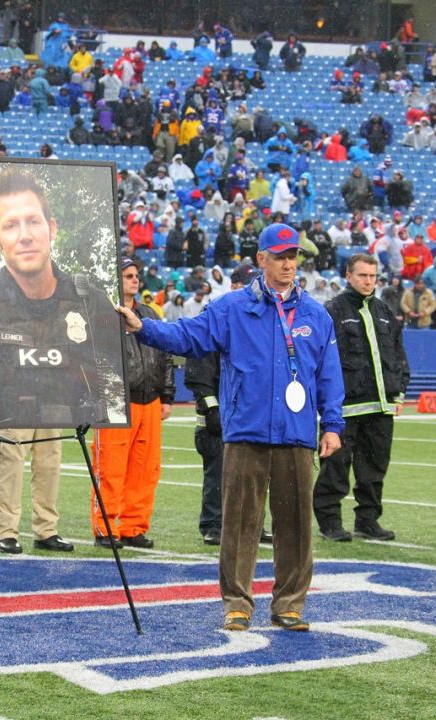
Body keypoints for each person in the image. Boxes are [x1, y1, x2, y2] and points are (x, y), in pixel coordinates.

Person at [116, 223, 344, 633]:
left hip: (295, 433)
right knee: (239, 523)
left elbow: (328, 375)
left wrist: (332, 424)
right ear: (261, 260)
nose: (288, 263)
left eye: (293, 256)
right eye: (280, 256)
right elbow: (188, 336)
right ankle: (237, 604)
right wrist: (144, 327)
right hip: (246, 433)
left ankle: (289, 604)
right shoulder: (232, 308)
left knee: (296, 525)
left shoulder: (315, 314)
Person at [0, 168, 125, 427]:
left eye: (33, 221)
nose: (25, 236)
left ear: (52, 228)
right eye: (11, 225)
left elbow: (133, 370)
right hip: (2, 439)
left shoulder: (88, 301)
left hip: (71, 439)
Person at [313, 254, 410, 543]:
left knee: (374, 467)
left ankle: (368, 520)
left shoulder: (384, 311)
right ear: (348, 276)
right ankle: (330, 521)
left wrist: (399, 390)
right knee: (336, 467)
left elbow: (398, 355)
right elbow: (321, 360)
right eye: (362, 276)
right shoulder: (332, 311)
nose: (368, 281)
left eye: (372, 276)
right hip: (343, 409)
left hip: (381, 407)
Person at [183, 264, 274, 547]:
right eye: (246, 284)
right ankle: (213, 524)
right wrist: (211, 408)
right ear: (234, 286)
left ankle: (253, 524)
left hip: (249, 414)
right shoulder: (215, 316)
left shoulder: (258, 321)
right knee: (219, 474)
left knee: (255, 474)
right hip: (220, 415)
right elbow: (198, 372)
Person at [89, 258, 174, 549]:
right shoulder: (102, 316)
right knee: (110, 467)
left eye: (136, 275)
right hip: (115, 401)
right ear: (116, 280)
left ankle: (133, 525)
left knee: (145, 468)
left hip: (149, 399)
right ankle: (105, 526)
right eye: (128, 276)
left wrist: (167, 396)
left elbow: (165, 356)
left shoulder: (149, 313)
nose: (135, 280)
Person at [0, 421, 74, 552]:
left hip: (49, 403)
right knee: (11, 465)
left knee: (49, 465)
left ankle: (46, 529)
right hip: (16, 404)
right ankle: (6, 532)